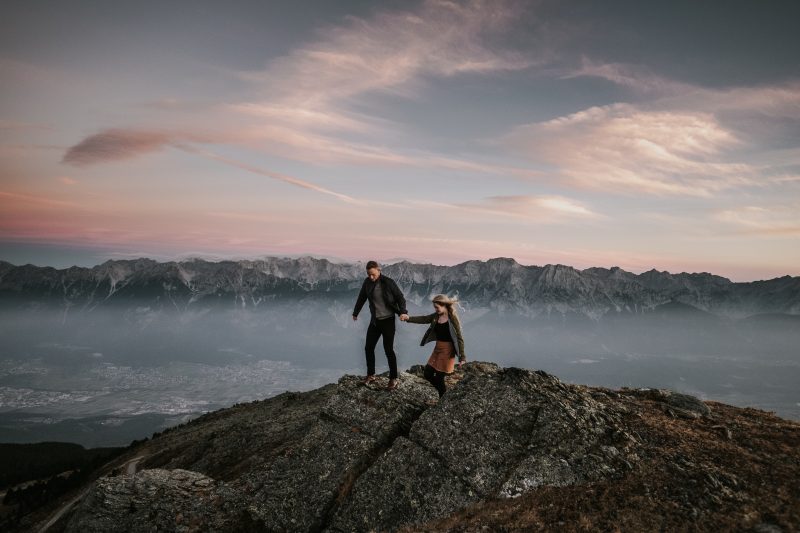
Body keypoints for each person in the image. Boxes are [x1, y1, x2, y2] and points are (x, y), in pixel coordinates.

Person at [352, 260, 409, 390]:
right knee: (368, 347)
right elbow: (362, 297)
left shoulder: (388, 282)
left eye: (373, 274)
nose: (371, 277)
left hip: (388, 321)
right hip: (375, 321)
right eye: (368, 274)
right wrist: (355, 312)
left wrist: (403, 312)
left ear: (379, 270)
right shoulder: (367, 283)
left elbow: (400, 297)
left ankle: (393, 378)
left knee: (388, 350)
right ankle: (371, 375)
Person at [400, 294, 466, 397]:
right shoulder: (436, 316)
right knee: (427, 373)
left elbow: (459, 338)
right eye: (435, 307)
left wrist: (462, 356)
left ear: (444, 305)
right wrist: (408, 318)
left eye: (437, 307)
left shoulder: (452, 318)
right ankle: (443, 392)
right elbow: (424, 319)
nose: (436, 309)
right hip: (437, 348)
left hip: (448, 350)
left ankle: (442, 397)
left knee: (439, 377)